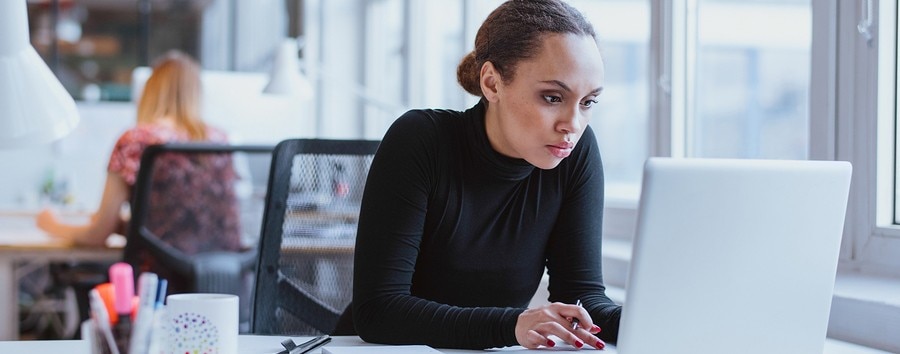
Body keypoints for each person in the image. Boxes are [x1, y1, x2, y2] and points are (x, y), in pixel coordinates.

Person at [349, 0, 620, 350]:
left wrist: (652, 317)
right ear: (492, 83)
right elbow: (378, 312)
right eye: (553, 97)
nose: (573, 124)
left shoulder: (575, 154)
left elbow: (581, 296)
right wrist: (511, 326)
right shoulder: (420, 140)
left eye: (588, 102)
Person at [36, 50, 238, 255]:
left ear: (150, 92)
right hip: (224, 278)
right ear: (197, 94)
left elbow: (97, 234)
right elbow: (190, 226)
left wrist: (51, 224)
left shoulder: (136, 141)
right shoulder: (220, 140)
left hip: (157, 280)